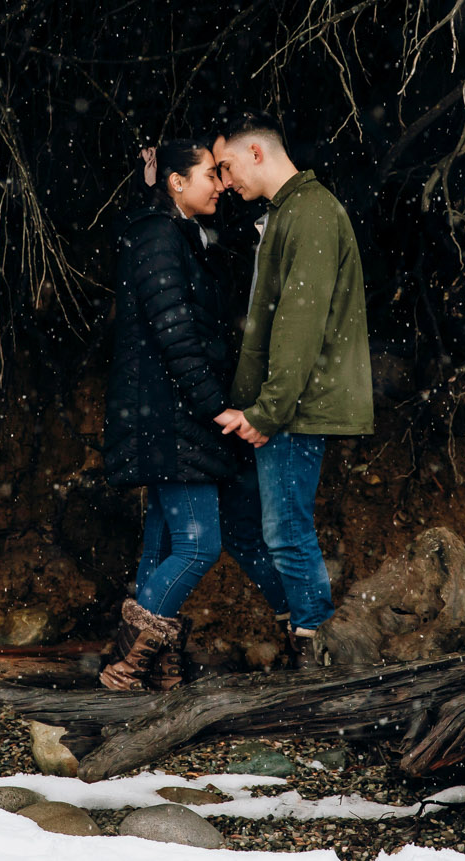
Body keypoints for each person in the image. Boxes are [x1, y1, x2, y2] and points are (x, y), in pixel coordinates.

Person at [100, 138, 292, 690]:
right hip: (168, 419)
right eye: (210, 173)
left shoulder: (172, 234)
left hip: (162, 416)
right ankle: (124, 664)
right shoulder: (159, 236)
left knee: (163, 541)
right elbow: (176, 336)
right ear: (176, 182)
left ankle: (155, 667)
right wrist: (217, 408)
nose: (220, 183)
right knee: (198, 543)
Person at [211, 114, 373, 669]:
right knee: (237, 523)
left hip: (294, 410)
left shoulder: (312, 212)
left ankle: (317, 659)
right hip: (273, 408)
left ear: (256, 152)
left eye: (227, 166)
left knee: (285, 531)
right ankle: (299, 628)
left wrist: (270, 411)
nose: (224, 180)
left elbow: (299, 323)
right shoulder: (286, 213)